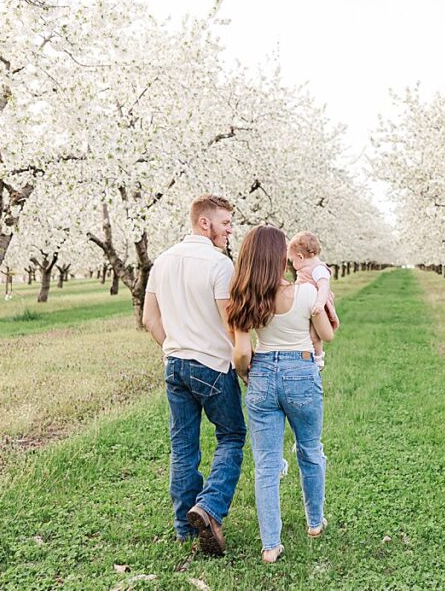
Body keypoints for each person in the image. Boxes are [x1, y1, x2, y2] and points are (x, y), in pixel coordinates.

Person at [142, 195, 245, 557]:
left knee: (183, 447)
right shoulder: (219, 265)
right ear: (206, 224)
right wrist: (243, 361)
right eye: (226, 223)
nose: (230, 230)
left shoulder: (163, 261)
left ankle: (185, 529)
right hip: (213, 366)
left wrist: (173, 346)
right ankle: (209, 507)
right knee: (232, 436)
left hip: (175, 363)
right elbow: (231, 325)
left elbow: (149, 320)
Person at [228, 225, 335, 564]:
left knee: (266, 463)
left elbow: (242, 353)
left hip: (261, 374)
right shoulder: (305, 293)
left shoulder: (245, 297)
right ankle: (314, 522)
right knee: (309, 448)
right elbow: (327, 335)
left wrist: (249, 375)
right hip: (301, 372)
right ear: (281, 258)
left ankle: (270, 545)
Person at [287, 231, 339, 370]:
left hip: (317, 306)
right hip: (308, 304)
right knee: (308, 333)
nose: (292, 264)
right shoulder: (307, 269)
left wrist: (320, 304)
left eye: (292, 260)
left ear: (300, 257)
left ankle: (318, 357)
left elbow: (324, 286)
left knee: (314, 335)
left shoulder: (318, 268)